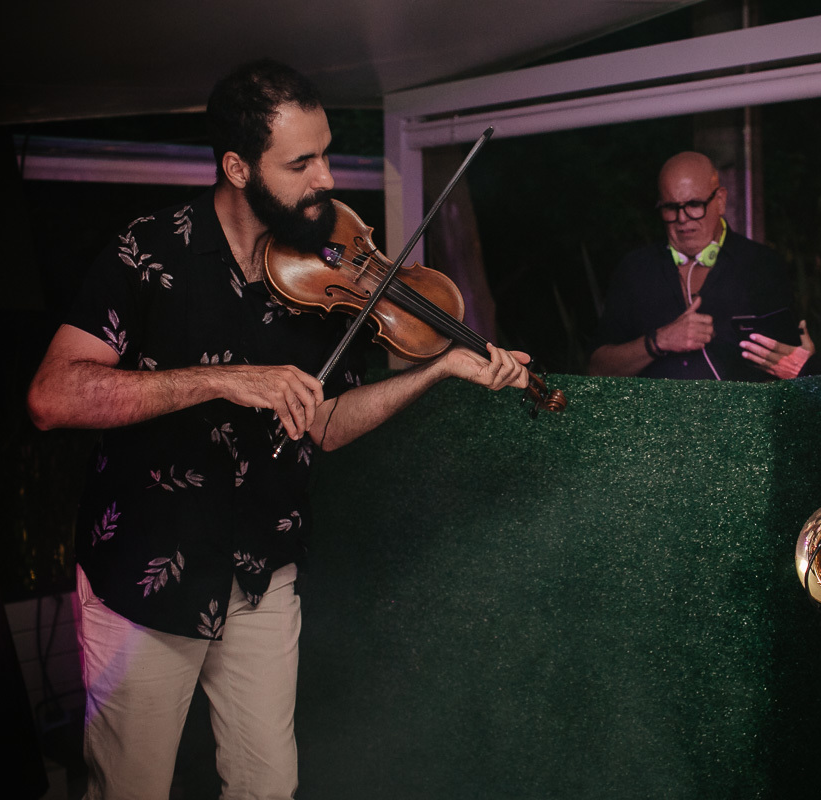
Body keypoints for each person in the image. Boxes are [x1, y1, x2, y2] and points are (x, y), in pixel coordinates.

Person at [26, 59, 529, 800]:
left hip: (263, 569)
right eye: (301, 162)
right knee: (130, 787)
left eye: (326, 152)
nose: (326, 178)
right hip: (145, 572)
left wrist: (433, 372)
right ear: (236, 166)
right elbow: (51, 396)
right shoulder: (150, 249)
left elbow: (323, 423)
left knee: (267, 787)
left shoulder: (328, 262)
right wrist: (223, 378)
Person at [587, 151, 819, 381]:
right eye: (671, 207)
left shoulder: (762, 265)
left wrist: (804, 366)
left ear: (720, 201)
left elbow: (793, 367)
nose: (682, 218)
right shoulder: (635, 270)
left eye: (694, 204)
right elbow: (597, 369)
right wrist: (659, 341)